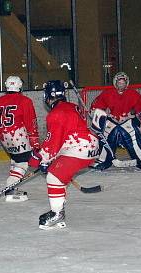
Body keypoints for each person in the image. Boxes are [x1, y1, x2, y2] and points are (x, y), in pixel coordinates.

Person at [28, 80, 99, 230]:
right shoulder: (72, 106)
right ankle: (59, 211)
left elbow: (53, 143)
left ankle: (57, 214)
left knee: (53, 177)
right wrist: (49, 160)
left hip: (79, 148)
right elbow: (66, 137)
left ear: (47, 96)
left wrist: (38, 159)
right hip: (87, 145)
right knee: (59, 174)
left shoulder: (56, 113)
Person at [90, 72, 141, 170]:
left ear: (127, 83)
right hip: (112, 120)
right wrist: (97, 112)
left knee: (134, 137)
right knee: (106, 136)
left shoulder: (133, 93)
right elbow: (97, 106)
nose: (121, 84)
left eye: (123, 83)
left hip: (127, 120)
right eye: (119, 82)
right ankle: (103, 160)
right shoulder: (107, 93)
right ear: (115, 83)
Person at [0, 75, 40, 202]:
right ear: (20, 86)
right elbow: (31, 122)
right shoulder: (25, 101)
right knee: (23, 162)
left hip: (4, 136)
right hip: (18, 135)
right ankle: (10, 188)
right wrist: (35, 142)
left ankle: (12, 187)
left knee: (15, 159)